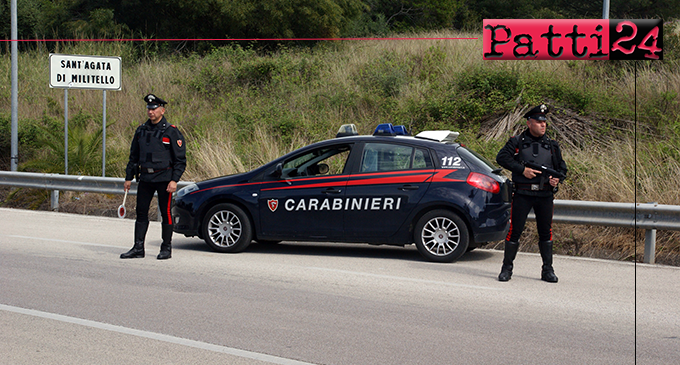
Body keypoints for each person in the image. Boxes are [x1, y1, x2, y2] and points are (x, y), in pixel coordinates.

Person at [495, 104, 567, 282]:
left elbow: (562, 169)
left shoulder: (552, 145)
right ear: (529, 123)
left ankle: (547, 270)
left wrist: (556, 180)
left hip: (544, 196)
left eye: (544, 122)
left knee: (546, 233)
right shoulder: (517, 142)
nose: (543, 125)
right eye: (538, 122)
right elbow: (502, 158)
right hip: (523, 195)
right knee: (514, 232)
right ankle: (506, 269)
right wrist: (522, 170)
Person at [120, 94, 186, 260]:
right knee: (141, 212)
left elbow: (180, 160)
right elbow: (133, 156)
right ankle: (138, 248)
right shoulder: (141, 130)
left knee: (166, 213)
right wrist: (128, 177)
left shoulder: (171, 131)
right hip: (145, 179)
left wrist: (174, 180)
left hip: (165, 179)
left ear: (162, 111)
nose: (151, 111)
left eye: (154, 108)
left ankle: (166, 248)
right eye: (149, 108)